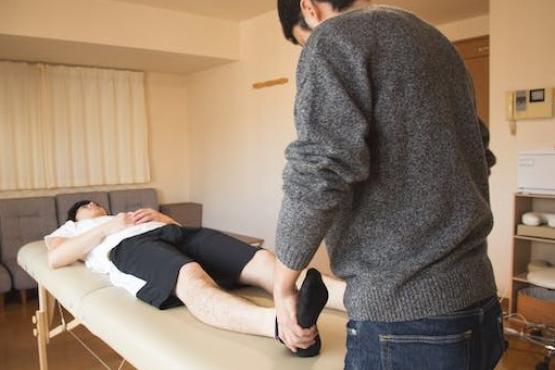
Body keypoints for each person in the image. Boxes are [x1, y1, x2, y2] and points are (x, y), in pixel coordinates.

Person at [274, 0, 505, 369]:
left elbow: (319, 168)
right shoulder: (435, 40)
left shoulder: (334, 38)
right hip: (479, 301)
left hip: (406, 320)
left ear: (309, 8)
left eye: (304, 42)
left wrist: (282, 282)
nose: (310, 49)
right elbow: (478, 149)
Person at [45, 200, 346, 357]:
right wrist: (109, 227)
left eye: (96, 203)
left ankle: (354, 299)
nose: (93, 204)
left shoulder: (127, 214)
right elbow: (55, 258)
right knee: (192, 278)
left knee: (265, 260)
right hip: (130, 247)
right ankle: (286, 329)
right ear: (76, 216)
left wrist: (163, 219)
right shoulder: (70, 230)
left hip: (178, 233)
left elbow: (178, 231)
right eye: (86, 205)